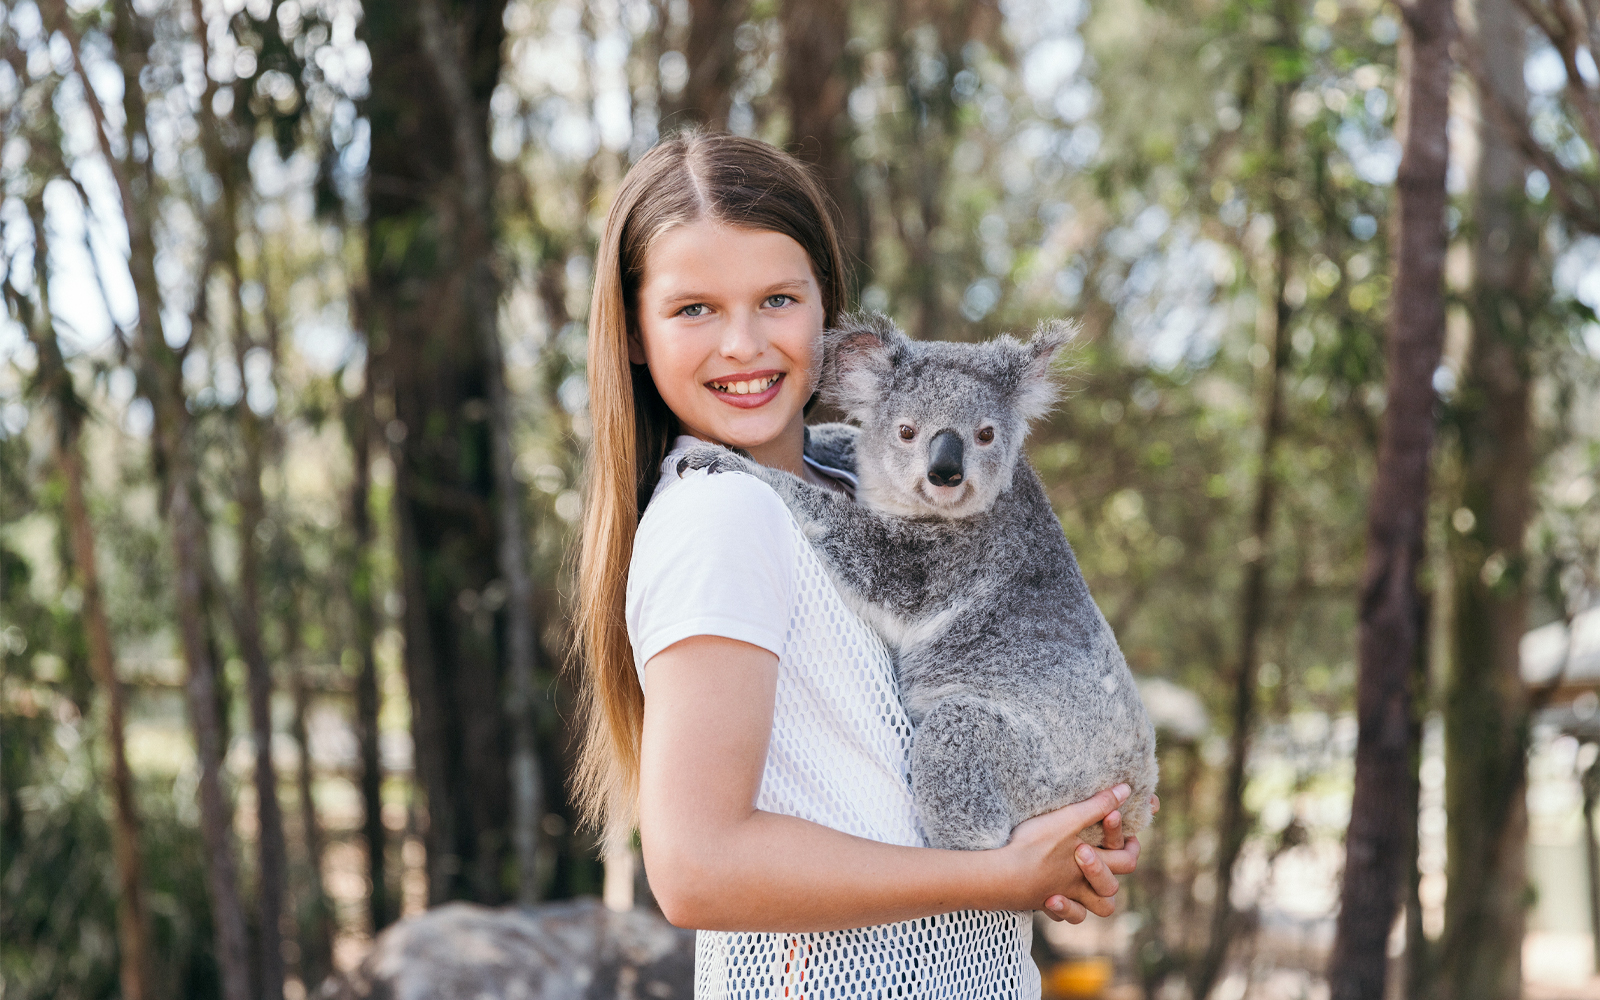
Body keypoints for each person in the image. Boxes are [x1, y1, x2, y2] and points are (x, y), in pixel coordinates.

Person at [575, 130, 1148, 999]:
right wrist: (1002, 877)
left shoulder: (850, 475)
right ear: (635, 333)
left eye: (777, 299)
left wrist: (1066, 827)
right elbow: (694, 869)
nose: (743, 345)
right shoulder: (720, 510)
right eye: (694, 309)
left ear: (832, 322)